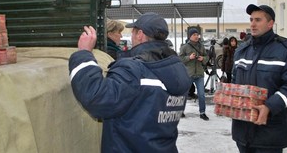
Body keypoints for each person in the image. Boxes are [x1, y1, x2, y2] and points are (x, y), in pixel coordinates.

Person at [69, 12, 191, 153]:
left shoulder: (134, 70)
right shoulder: (179, 70)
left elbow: (98, 99)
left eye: (132, 32)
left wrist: (83, 54)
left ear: (140, 34)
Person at [232, 4, 287, 152]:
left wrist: (269, 107)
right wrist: (229, 99)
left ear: (270, 24)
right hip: (242, 131)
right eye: (251, 19)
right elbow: (235, 81)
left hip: (270, 133)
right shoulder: (242, 50)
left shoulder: (286, 50)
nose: (252, 24)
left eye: (258, 20)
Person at [179, 28, 210, 121]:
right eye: (194, 35)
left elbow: (207, 57)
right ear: (190, 36)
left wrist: (203, 59)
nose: (196, 36)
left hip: (199, 74)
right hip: (189, 74)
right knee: (184, 94)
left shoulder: (201, 46)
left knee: (201, 95)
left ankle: (202, 112)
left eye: (197, 34)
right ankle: (181, 111)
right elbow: (180, 59)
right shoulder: (185, 47)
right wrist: (189, 57)